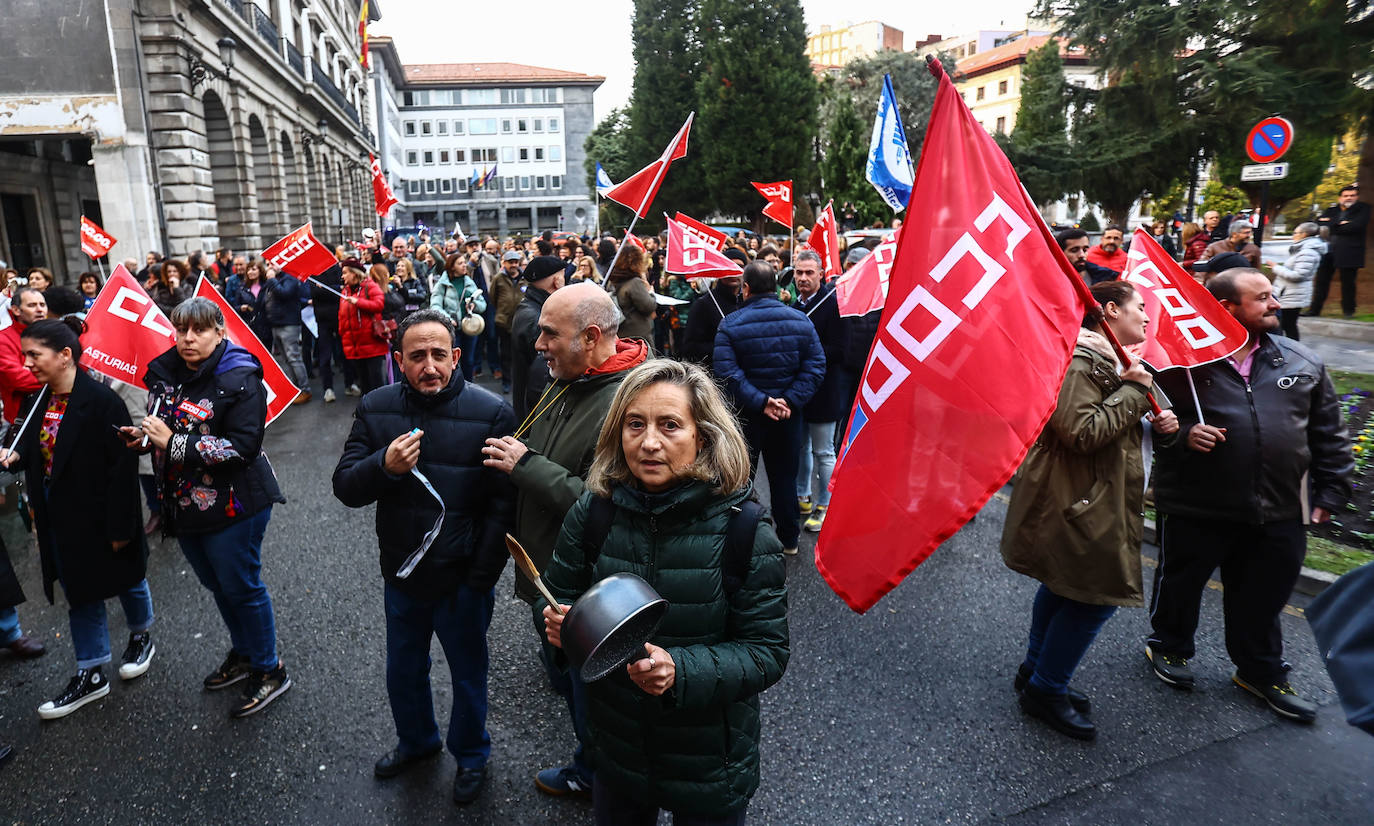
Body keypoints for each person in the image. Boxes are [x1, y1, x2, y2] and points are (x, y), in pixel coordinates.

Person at [540, 358, 789, 825]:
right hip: (617, 752)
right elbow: (553, 594)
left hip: (710, 761)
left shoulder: (746, 531)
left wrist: (680, 671)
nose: (649, 442)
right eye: (635, 424)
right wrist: (557, 623)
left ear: (704, 435)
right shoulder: (595, 511)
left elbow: (766, 651)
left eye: (670, 425)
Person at [1146, 268, 1352, 723]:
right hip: (1197, 504)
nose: (1275, 303)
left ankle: (1260, 671)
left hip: (1278, 508)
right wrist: (1181, 436)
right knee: (1181, 584)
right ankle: (1170, 646)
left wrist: (1332, 488)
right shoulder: (1177, 365)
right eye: (1261, 297)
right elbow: (1145, 426)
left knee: (1262, 596)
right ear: (1225, 308)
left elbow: (1329, 434)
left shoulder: (1301, 361)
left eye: (1273, 294)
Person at [333, 310, 515, 806]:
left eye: (439, 355)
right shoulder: (375, 406)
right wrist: (383, 467)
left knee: (468, 673)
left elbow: (504, 505)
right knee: (403, 670)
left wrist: (480, 576)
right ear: (399, 361)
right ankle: (417, 743)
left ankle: (472, 755)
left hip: (463, 580)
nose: (429, 366)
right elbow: (346, 486)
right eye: (417, 356)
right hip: (403, 576)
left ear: (457, 357)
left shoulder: (492, 411)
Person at [481, 282, 648, 799]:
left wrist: (526, 466)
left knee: (592, 690)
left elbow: (612, 506)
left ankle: (597, 775)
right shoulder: (568, 376)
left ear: (592, 336)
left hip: (589, 582)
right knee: (573, 680)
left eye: (550, 334)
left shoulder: (630, 402)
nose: (536, 344)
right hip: (552, 572)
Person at [1001, 281, 1179, 740]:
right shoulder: (1084, 360)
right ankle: (1046, 689)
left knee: (1065, 588)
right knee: (1093, 598)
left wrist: (1161, 424)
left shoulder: (1117, 362)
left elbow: (1118, 429)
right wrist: (1136, 393)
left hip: (1093, 497)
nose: (1146, 316)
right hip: (1083, 500)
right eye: (1140, 307)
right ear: (1110, 310)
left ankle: (1037, 673)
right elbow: (1079, 431)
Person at [126, 297, 290, 718]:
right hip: (185, 505)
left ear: (220, 332)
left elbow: (243, 448)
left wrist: (173, 443)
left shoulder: (240, 375)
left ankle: (270, 669)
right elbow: (166, 427)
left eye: (199, 330)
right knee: (218, 586)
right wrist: (146, 438)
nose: (188, 338)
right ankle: (246, 653)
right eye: (181, 330)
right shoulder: (166, 373)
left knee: (242, 586)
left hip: (237, 504)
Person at [3, 318, 154, 719]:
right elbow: (27, 442)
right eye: (25, 355)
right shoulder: (37, 400)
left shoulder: (103, 402)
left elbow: (122, 472)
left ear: (65, 354)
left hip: (101, 514)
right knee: (79, 592)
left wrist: (122, 527)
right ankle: (91, 672)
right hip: (60, 518)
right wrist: (15, 454)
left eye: (35, 354)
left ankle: (142, 635)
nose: (28, 363)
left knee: (127, 577)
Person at [713, 261, 825, 555]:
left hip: (745, 415)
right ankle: (789, 539)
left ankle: (740, 540)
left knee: (741, 477)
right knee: (784, 478)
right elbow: (815, 368)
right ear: (775, 287)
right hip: (787, 415)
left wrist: (762, 402)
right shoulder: (801, 321)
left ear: (745, 288)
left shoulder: (730, 323)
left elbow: (727, 373)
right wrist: (787, 400)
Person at [789, 250, 845, 532]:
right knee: (801, 449)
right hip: (799, 391)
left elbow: (839, 349)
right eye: (799, 272)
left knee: (824, 451)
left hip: (824, 391)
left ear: (821, 275)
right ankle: (803, 496)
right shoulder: (793, 306)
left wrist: (806, 353)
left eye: (809, 272)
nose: (803, 278)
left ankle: (826, 504)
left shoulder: (833, 304)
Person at [510, 256, 566, 420]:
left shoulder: (532, 307)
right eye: (562, 275)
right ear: (556, 280)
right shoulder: (538, 318)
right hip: (535, 409)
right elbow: (542, 371)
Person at [1310, 186, 1370, 318]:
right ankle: (1314, 310)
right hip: (1327, 251)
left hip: (1350, 251)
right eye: (1346, 195)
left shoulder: (1363, 209)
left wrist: (1331, 224)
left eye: (1352, 195)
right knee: (1321, 281)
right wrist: (1340, 223)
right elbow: (1318, 224)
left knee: (1348, 283)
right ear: (1340, 197)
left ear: (1357, 197)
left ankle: (1348, 311)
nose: (1349, 198)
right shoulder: (1332, 210)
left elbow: (1356, 226)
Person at [681, 249, 748, 367]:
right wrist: (724, 347)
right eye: (728, 266)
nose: (733, 271)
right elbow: (690, 348)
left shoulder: (748, 302)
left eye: (738, 266)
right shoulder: (703, 304)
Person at [430, 254, 487, 382]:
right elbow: (435, 305)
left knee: (469, 360)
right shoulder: (443, 284)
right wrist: (447, 318)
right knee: (453, 361)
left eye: (464, 262)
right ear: (452, 267)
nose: (464, 265)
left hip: (469, 327)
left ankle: (468, 386)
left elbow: (482, 304)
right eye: (460, 263)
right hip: (451, 329)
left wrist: (474, 305)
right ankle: (454, 386)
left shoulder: (469, 282)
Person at [261, 264, 311, 403]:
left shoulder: (290, 278)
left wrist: (271, 279)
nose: (269, 267)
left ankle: (305, 389)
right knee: (286, 359)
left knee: (294, 357)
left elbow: (284, 294)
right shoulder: (276, 280)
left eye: (272, 264)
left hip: (288, 324)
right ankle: (295, 388)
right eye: (268, 264)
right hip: (276, 324)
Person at [338, 259, 389, 394]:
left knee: (376, 382)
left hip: (372, 342)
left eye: (345, 273)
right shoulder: (345, 291)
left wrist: (358, 302)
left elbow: (379, 305)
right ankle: (366, 411)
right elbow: (342, 316)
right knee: (363, 382)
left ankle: (380, 410)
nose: (342, 276)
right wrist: (342, 333)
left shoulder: (370, 286)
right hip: (355, 345)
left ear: (354, 274)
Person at [1267, 222, 1325, 341]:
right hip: (1289, 293)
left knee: (1288, 325)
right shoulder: (1303, 249)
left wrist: (1276, 267)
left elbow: (1298, 275)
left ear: (1304, 234)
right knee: (1286, 325)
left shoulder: (1308, 252)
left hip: (1293, 295)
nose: (1293, 235)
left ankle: (1291, 352)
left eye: (1295, 233)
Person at [310, 261, 356, 402]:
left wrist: (328, 289)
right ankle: (328, 389)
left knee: (346, 352)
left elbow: (343, 290)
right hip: (323, 320)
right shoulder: (313, 272)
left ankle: (350, 384)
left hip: (339, 317)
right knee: (325, 355)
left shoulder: (337, 269)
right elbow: (316, 292)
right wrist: (334, 289)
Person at [0, 287, 45, 424]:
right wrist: (58, 376)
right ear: (16, 310)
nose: (39, 309)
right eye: (32, 305)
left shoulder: (56, 335)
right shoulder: (3, 340)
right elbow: (19, 379)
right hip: (23, 422)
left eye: (42, 305)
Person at [606, 245, 656, 346]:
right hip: (638, 334)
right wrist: (651, 293)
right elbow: (648, 306)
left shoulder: (613, 281)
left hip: (621, 333)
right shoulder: (634, 283)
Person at [489, 251, 522, 394]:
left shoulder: (525, 278)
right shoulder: (498, 278)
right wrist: (503, 310)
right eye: (511, 262)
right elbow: (493, 297)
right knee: (505, 353)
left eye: (516, 262)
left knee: (521, 354)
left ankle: (520, 381)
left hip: (521, 321)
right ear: (505, 263)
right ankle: (507, 381)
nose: (514, 265)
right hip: (504, 322)